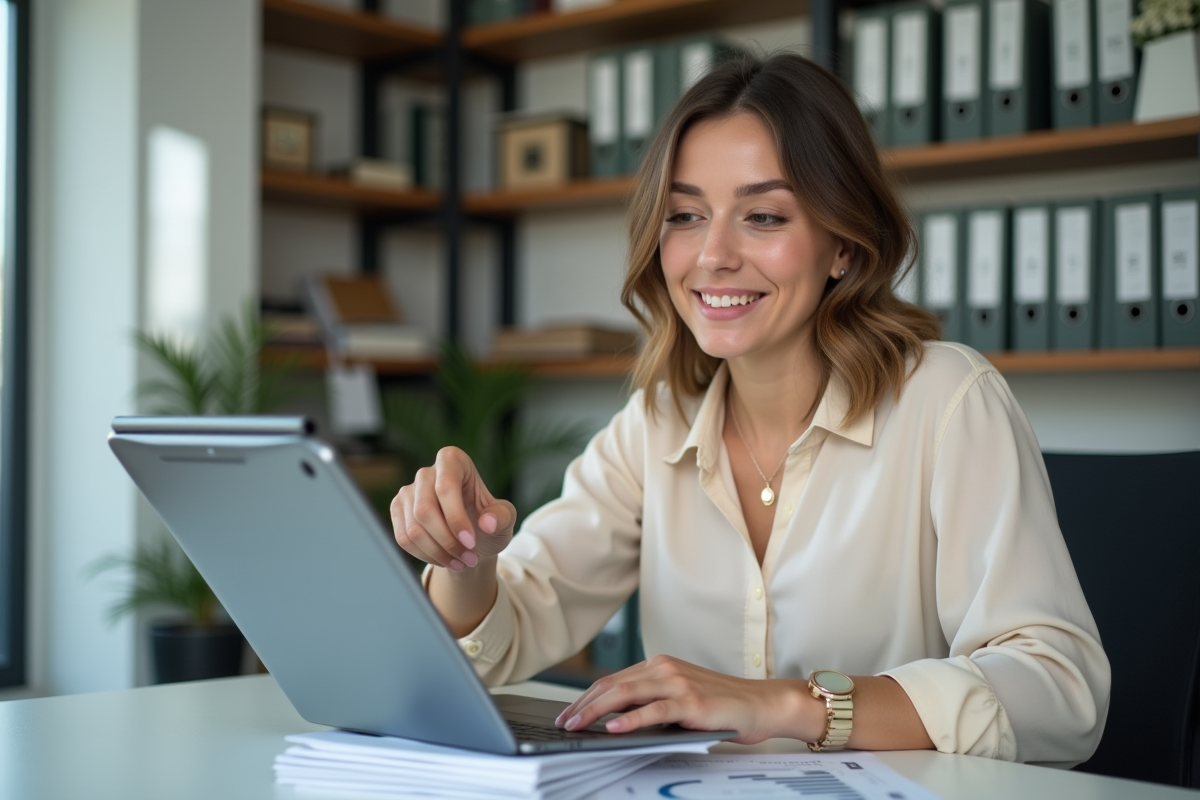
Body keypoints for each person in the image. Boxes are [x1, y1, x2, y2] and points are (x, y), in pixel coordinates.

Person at [391, 53, 1109, 764]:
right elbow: (502, 638)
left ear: (845, 250)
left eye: (763, 216)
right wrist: (467, 560)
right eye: (685, 215)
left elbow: (1060, 693)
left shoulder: (947, 401)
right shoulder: (657, 423)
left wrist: (786, 703)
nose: (713, 254)